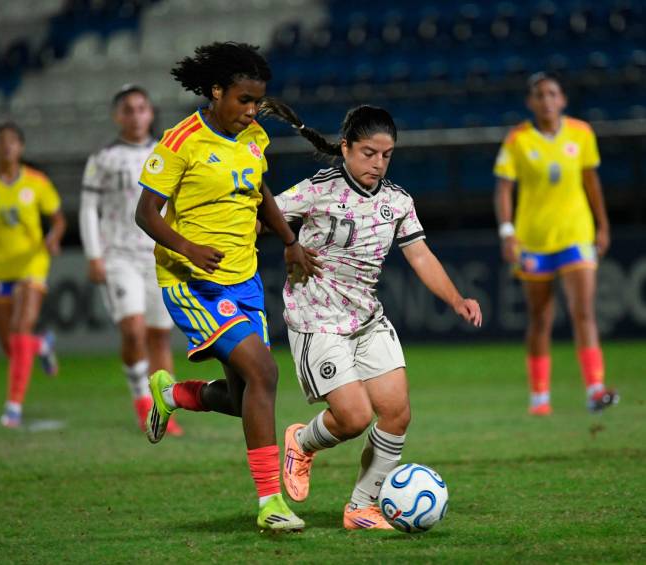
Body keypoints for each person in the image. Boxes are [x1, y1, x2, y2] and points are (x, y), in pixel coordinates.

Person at [257, 100, 482, 529]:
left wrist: (456, 299)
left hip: (366, 320)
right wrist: (283, 242)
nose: (378, 164)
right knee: (355, 417)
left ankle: (362, 507)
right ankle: (302, 442)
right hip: (316, 319)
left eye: (386, 155)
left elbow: (419, 255)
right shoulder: (318, 189)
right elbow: (262, 217)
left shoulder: (397, 202)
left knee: (397, 411)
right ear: (345, 148)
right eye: (368, 153)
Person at [134, 42, 321, 531]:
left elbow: (260, 194)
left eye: (257, 101)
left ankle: (172, 394)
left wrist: (289, 240)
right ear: (216, 92)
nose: (251, 110)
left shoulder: (255, 136)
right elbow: (145, 213)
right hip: (192, 284)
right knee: (264, 374)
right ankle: (270, 504)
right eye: (243, 99)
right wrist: (188, 249)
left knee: (244, 401)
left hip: (245, 282)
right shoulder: (181, 141)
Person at [493, 72, 618, 416]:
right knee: (540, 317)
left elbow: (591, 181)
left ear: (562, 99)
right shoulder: (518, 139)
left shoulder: (581, 133)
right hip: (533, 239)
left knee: (584, 311)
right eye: (540, 95)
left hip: (576, 234)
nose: (547, 100)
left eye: (553, 94)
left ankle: (595, 389)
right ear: (530, 103)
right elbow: (504, 188)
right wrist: (507, 232)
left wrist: (602, 224)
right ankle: (539, 398)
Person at [80, 84, 182, 436]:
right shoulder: (103, 158)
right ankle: (142, 403)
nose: (136, 115)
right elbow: (88, 209)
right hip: (119, 255)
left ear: (150, 113)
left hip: (158, 255)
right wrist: (94, 255)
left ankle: (164, 409)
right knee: (134, 330)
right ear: (116, 116)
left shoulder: (167, 153)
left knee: (159, 336)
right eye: (128, 109)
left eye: (141, 108)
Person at [0, 122, 66, 428]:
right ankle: (42, 345)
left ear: (21, 147)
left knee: (20, 328)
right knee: (10, 344)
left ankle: (13, 407)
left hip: (31, 264)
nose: (7, 146)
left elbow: (58, 220)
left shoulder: (37, 182)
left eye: (12, 141)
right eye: (1, 141)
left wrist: (54, 237)